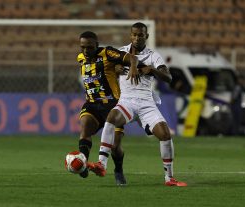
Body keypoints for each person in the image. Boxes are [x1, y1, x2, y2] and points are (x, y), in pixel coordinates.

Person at [88, 22, 187, 187]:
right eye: (134, 34)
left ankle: (169, 178)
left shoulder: (153, 56)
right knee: (112, 117)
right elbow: (106, 67)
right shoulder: (121, 52)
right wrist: (116, 69)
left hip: (147, 103)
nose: (136, 38)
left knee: (165, 135)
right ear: (130, 35)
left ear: (146, 36)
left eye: (140, 35)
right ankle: (101, 164)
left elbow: (168, 78)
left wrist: (153, 71)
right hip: (127, 101)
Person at [76, 31, 139, 180]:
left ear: (97, 45)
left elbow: (130, 58)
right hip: (92, 104)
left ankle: (118, 169)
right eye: (83, 47)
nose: (86, 51)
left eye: (90, 47)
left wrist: (132, 67)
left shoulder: (107, 52)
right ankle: (82, 164)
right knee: (85, 128)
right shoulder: (80, 58)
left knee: (115, 146)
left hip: (112, 105)